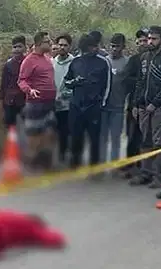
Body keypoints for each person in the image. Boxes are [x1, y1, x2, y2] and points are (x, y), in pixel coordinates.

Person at [129, 26, 161, 189]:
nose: (150, 41)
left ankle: (159, 177)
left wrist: (154, 103)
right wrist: (136, 104)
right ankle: (145, 173)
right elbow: (140, 82)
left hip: (160, 107)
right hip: (143, 107)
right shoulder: (144, 57)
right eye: (149, 38)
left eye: (154, 38)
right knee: (145, 141)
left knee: (158, 143)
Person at [63, 34, 111, 170]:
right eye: (93, 46)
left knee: (94, 138)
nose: (96, 48)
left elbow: (107, 85)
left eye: (97, 46)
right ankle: (74, 162)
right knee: (76, 135)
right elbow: (67, 82)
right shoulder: (76, 62)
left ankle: (94, 165)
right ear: (86, 47)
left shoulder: (103, 62)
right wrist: (75, 82)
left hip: (94, 106)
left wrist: (102, 103)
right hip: (76, 105)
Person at [18, 31, 58, 170]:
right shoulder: (29, 61)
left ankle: (45, 161)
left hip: (49, 103)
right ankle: (31, 162)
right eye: (47, 41)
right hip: (35, 104)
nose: (51, 43)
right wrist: (30, 90)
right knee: (34, 136)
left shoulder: (47, 58)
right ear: (39, 44)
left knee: (49, 133)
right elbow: (22, 81)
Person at [120, 28, 149, 179]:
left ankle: (146, 168)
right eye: (140, 41)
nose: (142, 43)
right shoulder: (134, 60)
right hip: (133, 104)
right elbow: (125, 79)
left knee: (147, 138)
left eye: (145, 40)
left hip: (151, 105)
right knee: (132, 136)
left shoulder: (156, 59)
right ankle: (131, 165)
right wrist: (139, 82)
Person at [101, 33, 128, 165]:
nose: (114, 49)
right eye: (112, 46)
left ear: (123, 47)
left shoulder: (127, 62)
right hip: (104, 106)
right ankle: (99, 164)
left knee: (115, 138)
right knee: (102, 138)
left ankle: (114, 165)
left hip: (118, 106)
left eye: (117, 46)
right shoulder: (104, 61)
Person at [52, 33, 75, 165]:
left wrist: (65, 95)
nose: (62, 47)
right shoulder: (51, 63)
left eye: (65, 45)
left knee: (65, 132)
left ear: (69, 47)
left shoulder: (74, 63)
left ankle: (64, 156)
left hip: (68, 105)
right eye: (60, 45)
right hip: (53, 104)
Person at [0, 36, 27, 131]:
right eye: (14, 47)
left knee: (25, 128)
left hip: (25, 101)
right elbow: (4, 84)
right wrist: (1, 101)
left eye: (19, 46)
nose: (17, 49)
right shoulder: (8, 65)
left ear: (25, 48)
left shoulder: (29, 63)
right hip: (10, 102)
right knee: (11, 129)